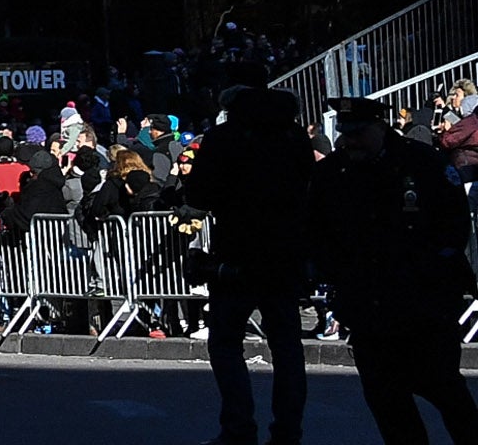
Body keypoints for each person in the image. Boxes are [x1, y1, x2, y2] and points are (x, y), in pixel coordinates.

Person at [310, 96, 478, 445]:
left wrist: (435, 272)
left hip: (423, 303)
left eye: (358, 133)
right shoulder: (333, 172)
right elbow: (317, 229)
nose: (350, 141)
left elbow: (454, 223)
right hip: (367, 304)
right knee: (387, 402)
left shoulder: (422, 163)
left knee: (448, 393)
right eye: (345, 133)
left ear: (379, 128)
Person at [181, 85, 314, 445]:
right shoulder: (293, 134)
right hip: (285, 250)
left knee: (225, 342)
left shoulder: (224, 137)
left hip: (236, 250)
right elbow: (309, 183)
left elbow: (200, 194)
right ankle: (288, 431)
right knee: (287, 346)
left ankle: (238, 428)